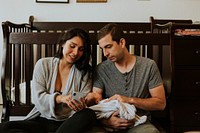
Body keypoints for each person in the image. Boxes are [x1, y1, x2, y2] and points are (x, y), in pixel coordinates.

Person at [0, 28, 96, 133]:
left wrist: (82, 104)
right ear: (63, 44)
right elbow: (39, 98)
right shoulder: (43, 64)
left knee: (88, 114)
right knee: (4, 127)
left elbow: (84, 97)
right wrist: (60, 98)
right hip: (42, 120)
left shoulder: (85, 72)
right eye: (72, 46)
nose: (75, 52)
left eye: (81, 49)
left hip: (68, 123)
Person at [86, 23, 166, 133]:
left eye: (108, 47)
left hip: (139, 123)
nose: (105, 53)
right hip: (109, 123)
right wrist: (107, 121)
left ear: (122, 42)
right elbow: (97, 101)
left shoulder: (148, 66)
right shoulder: (101, 69)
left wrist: (129, 100)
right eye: (102, 49)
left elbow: (160, 103)